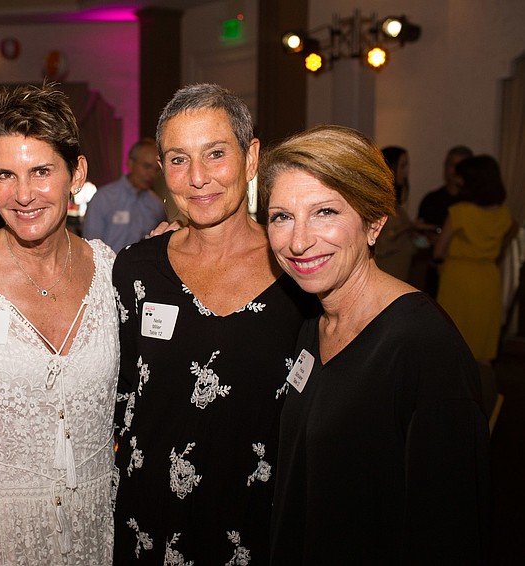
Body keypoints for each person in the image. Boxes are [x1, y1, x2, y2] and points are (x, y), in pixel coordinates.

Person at [260, 124, 491, 564]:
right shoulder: (314, 323)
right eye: (282, 216)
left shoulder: (423, 347)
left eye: (325, 212)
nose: (299, 240)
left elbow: (452, 529)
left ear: (374, 223)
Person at [111, 84, 316, 565]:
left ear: (251, 158)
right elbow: (120, 396)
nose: (198, 178)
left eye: (216, 154)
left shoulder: (299, 269)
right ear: (162, 171)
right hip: (148, 520)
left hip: (256, 523)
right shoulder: (137, 268)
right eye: (179, 160)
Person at [0, 84, 119, 565]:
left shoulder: (113, 271)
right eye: (5, 175)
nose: (23, 195)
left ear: (76, 174)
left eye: (41, 172)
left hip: (93, 531)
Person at [435, 155, 519, 364]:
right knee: (481, 345)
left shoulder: (460, 212)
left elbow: (438, 251)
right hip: (488, 278)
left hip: (458, 278)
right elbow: (511, 233)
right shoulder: (504, 214)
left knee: (452, 344)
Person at [82, 138, 166, 252]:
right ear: (131, 164)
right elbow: (89, 245)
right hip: (108, 268)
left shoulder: (157, 205)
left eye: (156, 170)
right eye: (146, 167)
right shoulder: (104, 198)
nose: (151, 174)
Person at [417, 145, 473, 296]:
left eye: (460, 166)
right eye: (451, 165)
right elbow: (417, 238)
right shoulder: (432, 199)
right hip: (434, 269)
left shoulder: (474, 204)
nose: (455, 170)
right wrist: (426, 238)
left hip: (465, 274)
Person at [374, 146, 417, 281]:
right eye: (402, 166)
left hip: (400, 275)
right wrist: (408, 226)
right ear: (390, 167)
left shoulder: (396, 206)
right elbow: (381, 244)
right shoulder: (379, 203)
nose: (406, 172)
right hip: (386, 275)